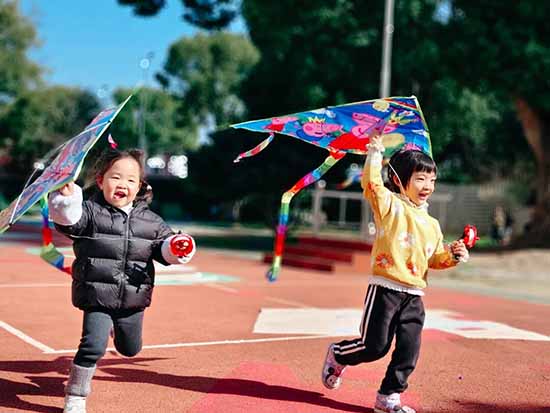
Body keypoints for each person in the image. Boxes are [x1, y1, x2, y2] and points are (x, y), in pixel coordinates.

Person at [321, 136, 469, 413]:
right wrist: (375, 153)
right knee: (375, 346)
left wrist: (453, 255)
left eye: (432, 180)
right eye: (420, 179)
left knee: (409, 349)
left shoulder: (432, 224)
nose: (428, 186)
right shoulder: (390, 206)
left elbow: (434, 259)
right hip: (384, 289)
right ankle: (339, 354)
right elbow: (372, 185)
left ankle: (388, 397)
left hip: (414, 295)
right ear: (399, 180)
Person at [48, 148, 196, 413]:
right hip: (97, 294)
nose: (122, 184)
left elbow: (165, 246)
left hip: (133, 297)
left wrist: (177, 247)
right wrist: (66, 199)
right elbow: (68, 221)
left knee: (130, 349)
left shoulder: (151, 221)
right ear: (101, 180)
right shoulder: (90, 212)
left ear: (139, 186)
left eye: (130, 180)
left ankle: (118, 331)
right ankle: (76, 395)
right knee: (93, 346)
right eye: (115, 177)